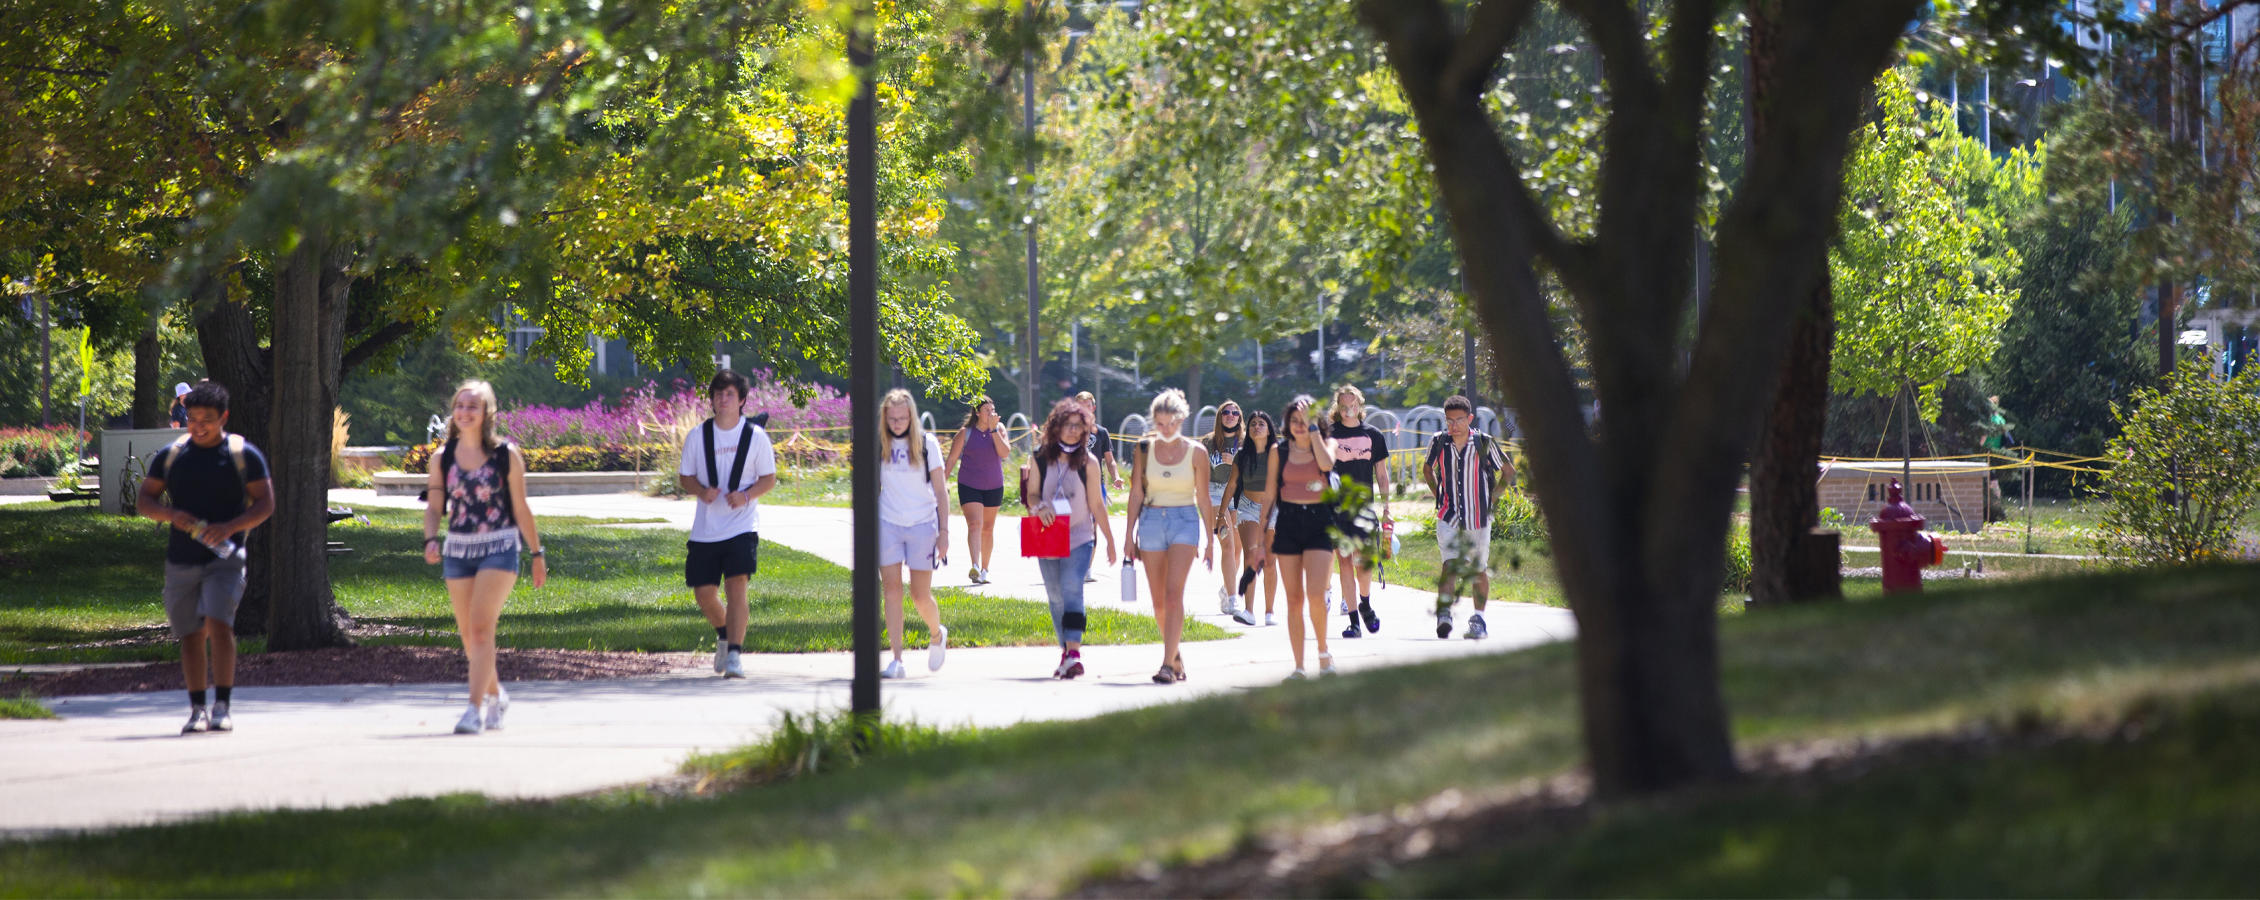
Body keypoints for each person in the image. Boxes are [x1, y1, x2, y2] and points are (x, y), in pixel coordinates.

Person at [137, 381, 272, 735]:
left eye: (207, 419)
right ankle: (197, 709)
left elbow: (265, 503)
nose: (198, 425)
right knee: (191, 635)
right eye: (192, 418)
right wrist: (171, 516)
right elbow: (145, 501)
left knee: (219, 623)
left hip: (225, 558)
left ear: (223, 417)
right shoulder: (172, 455)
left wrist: (231, 527)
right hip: (181, 559)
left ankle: (222, 706)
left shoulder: (243, 454)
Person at [422, 380, 547, 735]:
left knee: (480, 628)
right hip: (458, 551)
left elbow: (521, 507)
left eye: (473, 406)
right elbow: (434, 507)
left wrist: (537, 554)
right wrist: (430, 538)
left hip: (500, 546)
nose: (465, 412)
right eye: (460, 405)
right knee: (468, 636)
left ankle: (473, 711)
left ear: (486, 413)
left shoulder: (506, 454)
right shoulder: (442, 458)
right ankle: (495, 694)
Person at [674, 370, 779, 679]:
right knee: (704, 594)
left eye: (730, 394)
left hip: (742, 526)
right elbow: (685, 476)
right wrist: (700, 491)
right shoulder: (698, 436)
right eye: (718, 394)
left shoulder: (756, 437)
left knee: (737, 588)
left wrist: (745, 497)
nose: (723, 399)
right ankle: (723, 634)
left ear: (742, 400)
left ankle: (734, 654)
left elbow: (769, 479)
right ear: (712, 400)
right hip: (706, 529)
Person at [1022, 399, 1118, 679]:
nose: (1074, 431)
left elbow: (1097, 505)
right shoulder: (1040, 456)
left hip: (1080, 535)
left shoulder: (1089, 462)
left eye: (1079, 426)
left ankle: (1074, 653)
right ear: (1057, 426)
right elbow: (1032, 495)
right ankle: (1065, 651)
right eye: (1069, 425)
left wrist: (1110, 540)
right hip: (1048, 532)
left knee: (1073, 588)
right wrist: (1040, 508)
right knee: (1055, 597)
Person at [1124, 389, 1215, 684]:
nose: (1165, 429)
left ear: (1181, 420)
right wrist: (1128, 535)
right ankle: (1175, 657)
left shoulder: (1197, 452)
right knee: (1159, 602)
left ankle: (1165, 665)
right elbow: (1136, 492)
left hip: (1185, 521)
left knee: (1174, 594)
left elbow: (1203, 498)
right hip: (1150, 521)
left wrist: (1211, 540)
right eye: (1160, 424)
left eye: (1171, 423)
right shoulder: (1143, 449)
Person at [1423, 395, 1514, 639]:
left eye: (1459, 420)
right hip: (1449, 515)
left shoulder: (1484, 442)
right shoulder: (1439, 442)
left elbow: (1508, 471)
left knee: (1478, 569)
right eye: (1449, 421)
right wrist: (1438, 495)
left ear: (1470, 419)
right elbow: (1427, 469)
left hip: (1478, 517)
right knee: (1449, 564)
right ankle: (1444, 614)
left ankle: (1479, 621)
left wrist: (1492, 500)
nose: (1454, 426)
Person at [1260, 395, 1338, 679]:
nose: (1299, 425)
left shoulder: (1328, 444)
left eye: (1305, 421)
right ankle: (1299, 667)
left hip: (1319, 522)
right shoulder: (1277, 451)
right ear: (1287, 423)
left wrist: (1315, 431)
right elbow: (1269, 494)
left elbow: (1327, 464)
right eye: (1294, 420)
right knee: (1293, 599)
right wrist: (1260, 541)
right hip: (1288, 522)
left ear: (1316, 423)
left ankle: (1323, 653)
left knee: (1316, 595)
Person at [877, 388, 950, 678]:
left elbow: (942, 492)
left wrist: (944, 532)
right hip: (888, 523)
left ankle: (936, 634)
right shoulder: (879, 443)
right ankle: (897, 660)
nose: (897, 423)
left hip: (922, 524)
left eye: (902, 418)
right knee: (892, 591)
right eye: (892, 418)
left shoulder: (926, 443)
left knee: (920, 596)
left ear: (911, 416)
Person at [1328, 384, 1393, 639]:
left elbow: (1382, 474)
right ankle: (1354, 622)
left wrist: (1387, 508)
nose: (1348, 410)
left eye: (1352, 405)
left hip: (1364, 510)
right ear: (1338, 407)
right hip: (1337, 509)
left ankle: (1365, 603)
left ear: (1359, 405)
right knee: (1344, 562)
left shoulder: (1374, 435)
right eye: (1343, 406)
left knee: (1363, 564)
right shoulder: (1330, 435)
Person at [1200, 401, 1254, 625]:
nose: (1230, 416)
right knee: (1228, 545)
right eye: (1226, 412)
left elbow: (1255, 471)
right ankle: (1232, 599)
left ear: (1240, 417)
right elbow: (1199, 472)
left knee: (1238, 548)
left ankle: (1226, 587)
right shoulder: (1208, 441)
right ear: (1220, 416)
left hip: (1239, 493)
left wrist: (1236, 463)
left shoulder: (1246, 442)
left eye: (1235, 413)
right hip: (1214, 493)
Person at [946, 396, 1009, 585]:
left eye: (993, 409)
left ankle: (985, 569)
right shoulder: (965, 433)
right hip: (969, 484)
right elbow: (950, 460)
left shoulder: (999, 429)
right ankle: (974, 565)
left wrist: (994, 430)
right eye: (987, 410)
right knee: (975, 524)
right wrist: (940, 484)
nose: (991, 413)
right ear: (977, 413)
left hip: (993, 485)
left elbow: (1004, 453)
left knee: (988, 529)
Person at [1227, 410, 1282, 626]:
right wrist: (1222, 514)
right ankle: (1249, 611)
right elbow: (1232, 484)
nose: (1256, 427)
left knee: (1269, 562)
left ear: (1269, 430)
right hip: (1247, 508)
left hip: (1273, 511)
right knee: (1250, 559)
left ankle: (1270, 612)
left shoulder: (1278, 454)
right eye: (1252, 424)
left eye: (1261, 424)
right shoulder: (1242, 455)